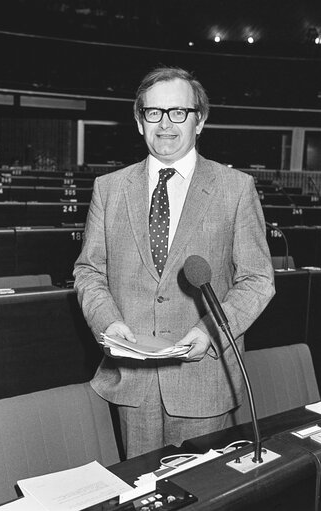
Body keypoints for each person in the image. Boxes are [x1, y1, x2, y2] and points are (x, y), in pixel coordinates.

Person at [73, 66, 275, 459]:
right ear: (139, 121)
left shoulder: (236, 188)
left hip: (205, 379)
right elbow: (89, 271)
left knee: (205, 495)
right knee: (142, 494)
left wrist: (209, 330)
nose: (165, 124)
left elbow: (257, 279)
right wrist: (109, 323)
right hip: (132, 381)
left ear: (200, 120)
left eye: (178, 112)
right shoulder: (109, 188)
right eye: (154, 113)